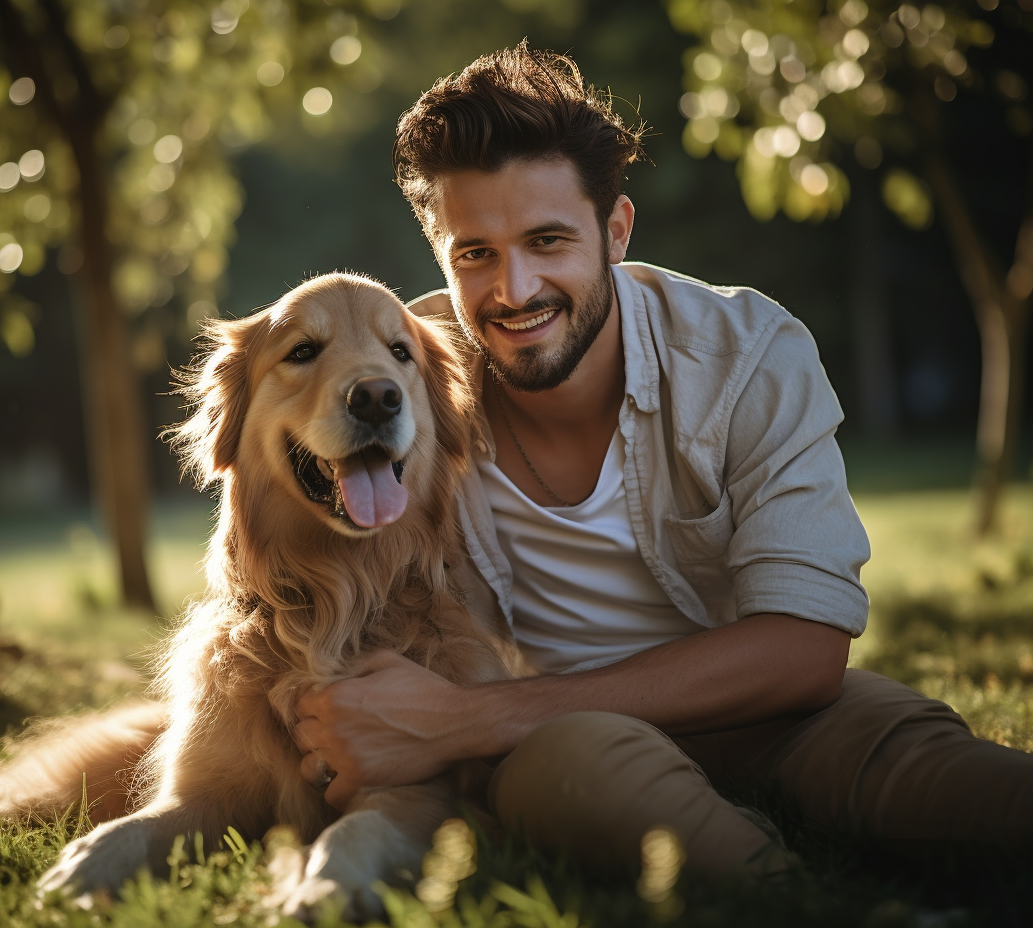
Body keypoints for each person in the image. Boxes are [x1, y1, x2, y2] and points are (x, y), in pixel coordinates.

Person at [293, 43, 1032, 877]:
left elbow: (804, 649)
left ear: (615, 230)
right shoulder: (403, 378)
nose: (514, 288)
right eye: (476, 254)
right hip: (562, 748)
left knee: (954, 778)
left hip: (773, 711)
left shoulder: (749, 354)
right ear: (440, 256)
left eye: (547, 240)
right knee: (583, 777)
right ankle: (783, 896)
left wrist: (465, 722)